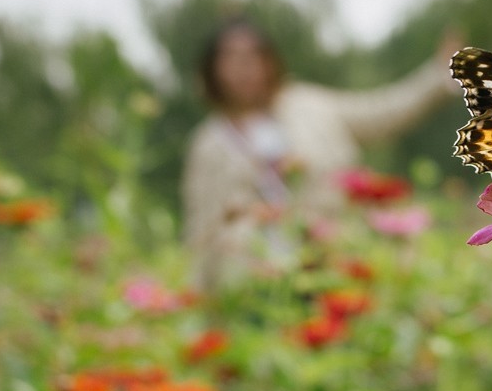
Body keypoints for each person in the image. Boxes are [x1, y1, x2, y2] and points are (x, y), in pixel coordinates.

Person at [182, 18, 458, 291]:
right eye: (232, 57)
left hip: (335, 263)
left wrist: (435, 77)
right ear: (213, 70)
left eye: (253, 55)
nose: (244, 67)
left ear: (270, 61)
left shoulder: (309, 106)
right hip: (259, 286)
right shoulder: (208, 143)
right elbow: (203, 229)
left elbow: (382, 112)